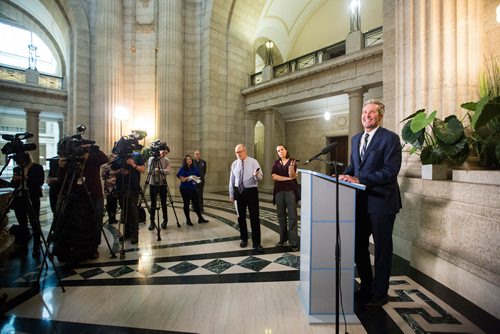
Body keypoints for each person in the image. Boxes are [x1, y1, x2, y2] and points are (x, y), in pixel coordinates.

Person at [339, 99, 402, 310]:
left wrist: (360, 179)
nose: (366, 115)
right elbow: (353, 166)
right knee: (358, 245)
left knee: (382, 249)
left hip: (382, 202)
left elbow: (390, 171)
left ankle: (380, 293)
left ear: (380, 116)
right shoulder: (356, 139)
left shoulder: (390, 139)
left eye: (372, 112)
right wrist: (344, 175)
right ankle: (366, 286)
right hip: (360, 202)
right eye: (364, 112)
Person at [57, 143, 108, 259]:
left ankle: (94, 247)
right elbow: (61, 179)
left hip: (95, 195)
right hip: (77, 196)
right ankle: (78, 247)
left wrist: (91, 148)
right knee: (80, 222)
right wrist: (60, 166)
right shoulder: (72, 160)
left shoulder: (93, 159)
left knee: (96, 221)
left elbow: (104, 159)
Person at [228, 144, 264, 251]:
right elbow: (232, 180)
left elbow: (260, 177)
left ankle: (256, 242)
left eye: (240, 152)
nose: (238, 154)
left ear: (245, 151)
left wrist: (256, 175)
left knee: (254, 217)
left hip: (251, 192)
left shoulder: (254, 162)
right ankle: (244, 239)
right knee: (241, 217)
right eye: (236, 152)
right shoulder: (234, 164)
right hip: (238, 193)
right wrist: (231, 194)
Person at [10, 152, 44, 257]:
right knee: (22, 223)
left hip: (32, 198)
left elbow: (40, 182)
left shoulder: (37, 167)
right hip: (19, 199)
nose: (20, 163)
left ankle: (36, 245)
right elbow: (13, 185)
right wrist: (14, 180)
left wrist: (25, 178)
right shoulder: (17, 169)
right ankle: (23, 245)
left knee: (35, 222)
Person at [111, 152, 146, 245]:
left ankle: (134, 235)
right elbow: (110, 171)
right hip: (120, 187)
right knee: (124, 211)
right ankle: (126, 233)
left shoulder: (137, 155)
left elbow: (143, 169)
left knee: (133, 212)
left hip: (133, 188)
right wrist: (119, 171)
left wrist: (133, 164)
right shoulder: (118, 157)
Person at [271, 145, 299, 251]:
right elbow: (274, 176)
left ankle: (294, 242)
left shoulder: (292, 161)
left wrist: (291, 169)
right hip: (278, 192)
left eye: (282, 149)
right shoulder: (276, 163)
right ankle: (283, 239)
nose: (280, 152)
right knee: (281, 216)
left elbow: (292, 175)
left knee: (292, 217)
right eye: (278, 150)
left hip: (290, 192)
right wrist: (288, 178)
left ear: (286, 150)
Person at [176, 154, 208, 226]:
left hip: (193, 188)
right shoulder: (182, 169)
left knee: (196, 204)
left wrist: (196, 178)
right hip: (185, 189)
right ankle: (188, 220)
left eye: (190, 159)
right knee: (186, 204)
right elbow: (182, 180)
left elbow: (198, 177)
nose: (189, 160)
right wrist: (189, 177)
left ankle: (200, 218)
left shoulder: (194, 168)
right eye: (187, 159)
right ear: (185, 161)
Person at [147, 147, 170, 230]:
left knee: (164, 203)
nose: (164, 154)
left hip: (162, 184)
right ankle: (152, 222)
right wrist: (162, 171)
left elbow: (169, 172)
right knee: (153, 203)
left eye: (166, 153)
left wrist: (158, 170)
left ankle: (165, 220)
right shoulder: (151, 159)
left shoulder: (166, 160)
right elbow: (150, 172)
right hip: (153, 184)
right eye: (163, 152)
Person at [101, 153, 118, 225]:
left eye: (115, 158)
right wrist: (108, 180)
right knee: (109, 202)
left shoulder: (116, 166)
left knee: (115, 203)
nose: (114, 159)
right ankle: (110, 218)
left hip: (115, 186)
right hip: (108, 186)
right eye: (113, 157)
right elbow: (103, 176)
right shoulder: (105, 166)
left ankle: (113, 217)